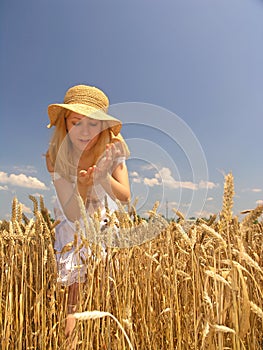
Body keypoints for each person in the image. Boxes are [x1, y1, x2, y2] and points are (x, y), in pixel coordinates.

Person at [45, 84, 130, 340]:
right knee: (74, 300)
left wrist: (102, 177)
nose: (84, 130)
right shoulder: (55, 157)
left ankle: (102, 341)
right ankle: (69, 344)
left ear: (103, 126)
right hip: (73, 232)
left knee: (105, 292)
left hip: (106, 228)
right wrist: (82, 185)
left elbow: (125, 196)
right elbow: (72, 212)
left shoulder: (113, 152)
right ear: (65, 124)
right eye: (76, 122)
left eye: (93, 124)